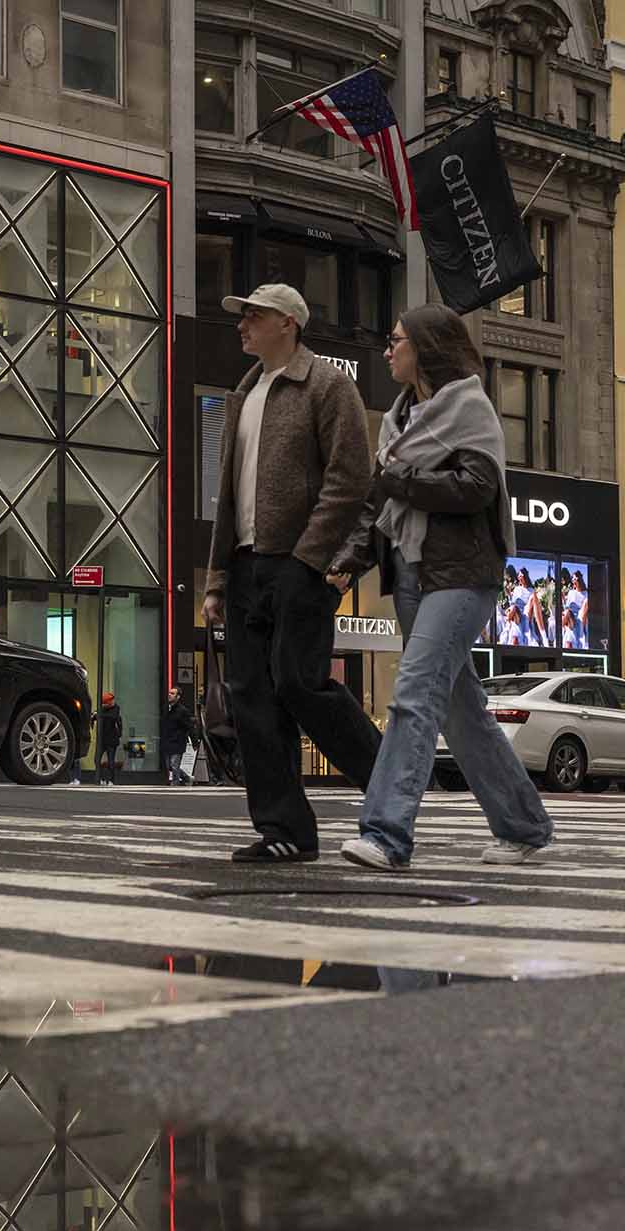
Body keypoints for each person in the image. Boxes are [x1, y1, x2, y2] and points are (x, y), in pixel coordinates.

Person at [325, 305, 554, 870]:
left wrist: (399, 478)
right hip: (409, 572)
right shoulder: (396, 422)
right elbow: (378, 505)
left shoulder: (469, 408)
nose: (387, 349)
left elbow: (477, 488)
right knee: (461, 710)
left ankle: (386, 833)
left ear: (425, 347)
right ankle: (524, 825)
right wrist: (348, 560)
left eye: (396, 340)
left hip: (462, 574)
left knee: (414, 694)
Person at [204, 283, 382, 863]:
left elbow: (351, 478)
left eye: (251, 316)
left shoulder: (328, 386)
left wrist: (311, 557)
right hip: (245, 564)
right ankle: (285, 829)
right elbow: (228, 498)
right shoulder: (244, 391)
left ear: (287, 322)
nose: (241, 325)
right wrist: (215, 580)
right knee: (252, 696)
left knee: (298, 683)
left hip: (297, 563)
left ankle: (389, 781)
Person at [160, 687, 196, 786]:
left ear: (178, 697)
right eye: (169, 693)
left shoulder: (182, 711)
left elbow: (189, 726)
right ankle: (187, 778)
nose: (169, 695)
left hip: (178, 741)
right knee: (169, 766)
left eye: (172, 693)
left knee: (174, 765)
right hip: (167, 741)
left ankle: (175, 784)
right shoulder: (166, 709)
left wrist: (194, 741)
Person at [95, 692, 124, 785]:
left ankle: (111, 780)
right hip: (102, 738)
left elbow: (114, 717)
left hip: (111, 739)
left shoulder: (115, 709)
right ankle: (101, 778)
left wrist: (119, 734)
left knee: (111, 761)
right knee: (97, 759)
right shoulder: (102, 709)